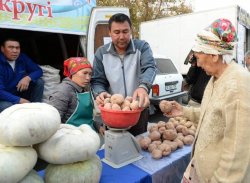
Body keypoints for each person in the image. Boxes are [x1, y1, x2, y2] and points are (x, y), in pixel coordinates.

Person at [163, 18, 250, 182]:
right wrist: (183, 111)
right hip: (201, 171)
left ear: (214, 55)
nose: (196, 60)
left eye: (198, 53)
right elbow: (212, 115)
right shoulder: (215, 77)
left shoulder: (238, 84)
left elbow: (239, 154)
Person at [91, 13, 157, 136]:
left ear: (131, 31)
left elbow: (150, 67)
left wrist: (143, 87)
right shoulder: (101, 53)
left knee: (138, 144)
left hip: (138, 109)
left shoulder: (142, 47)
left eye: (125, 31)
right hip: (113, 111)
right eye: (116, 32)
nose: (121, 36)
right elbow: (97, 80)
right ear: (109, 33)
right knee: (115, 147)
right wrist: (100, 92)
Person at [48, 57, 105, 135]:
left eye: (90, 74)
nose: (88, 78)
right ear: (73, 73)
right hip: (71, 137)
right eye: (84, 73)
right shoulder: (63, 91)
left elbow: (86, 119)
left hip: (88, 134)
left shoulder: (87, 88)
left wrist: (97, 126)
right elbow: (54, 122)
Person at [0, 38, 44, 112]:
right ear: (2, 49)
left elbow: (38, 70)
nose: (15, 51)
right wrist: (20, 100)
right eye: (11, 47)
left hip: (18, 92)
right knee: (8, 108)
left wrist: (28, 78)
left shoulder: (22, 57)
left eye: (17, 48)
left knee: (39, 82)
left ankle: (35, 110)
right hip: (3, 98)